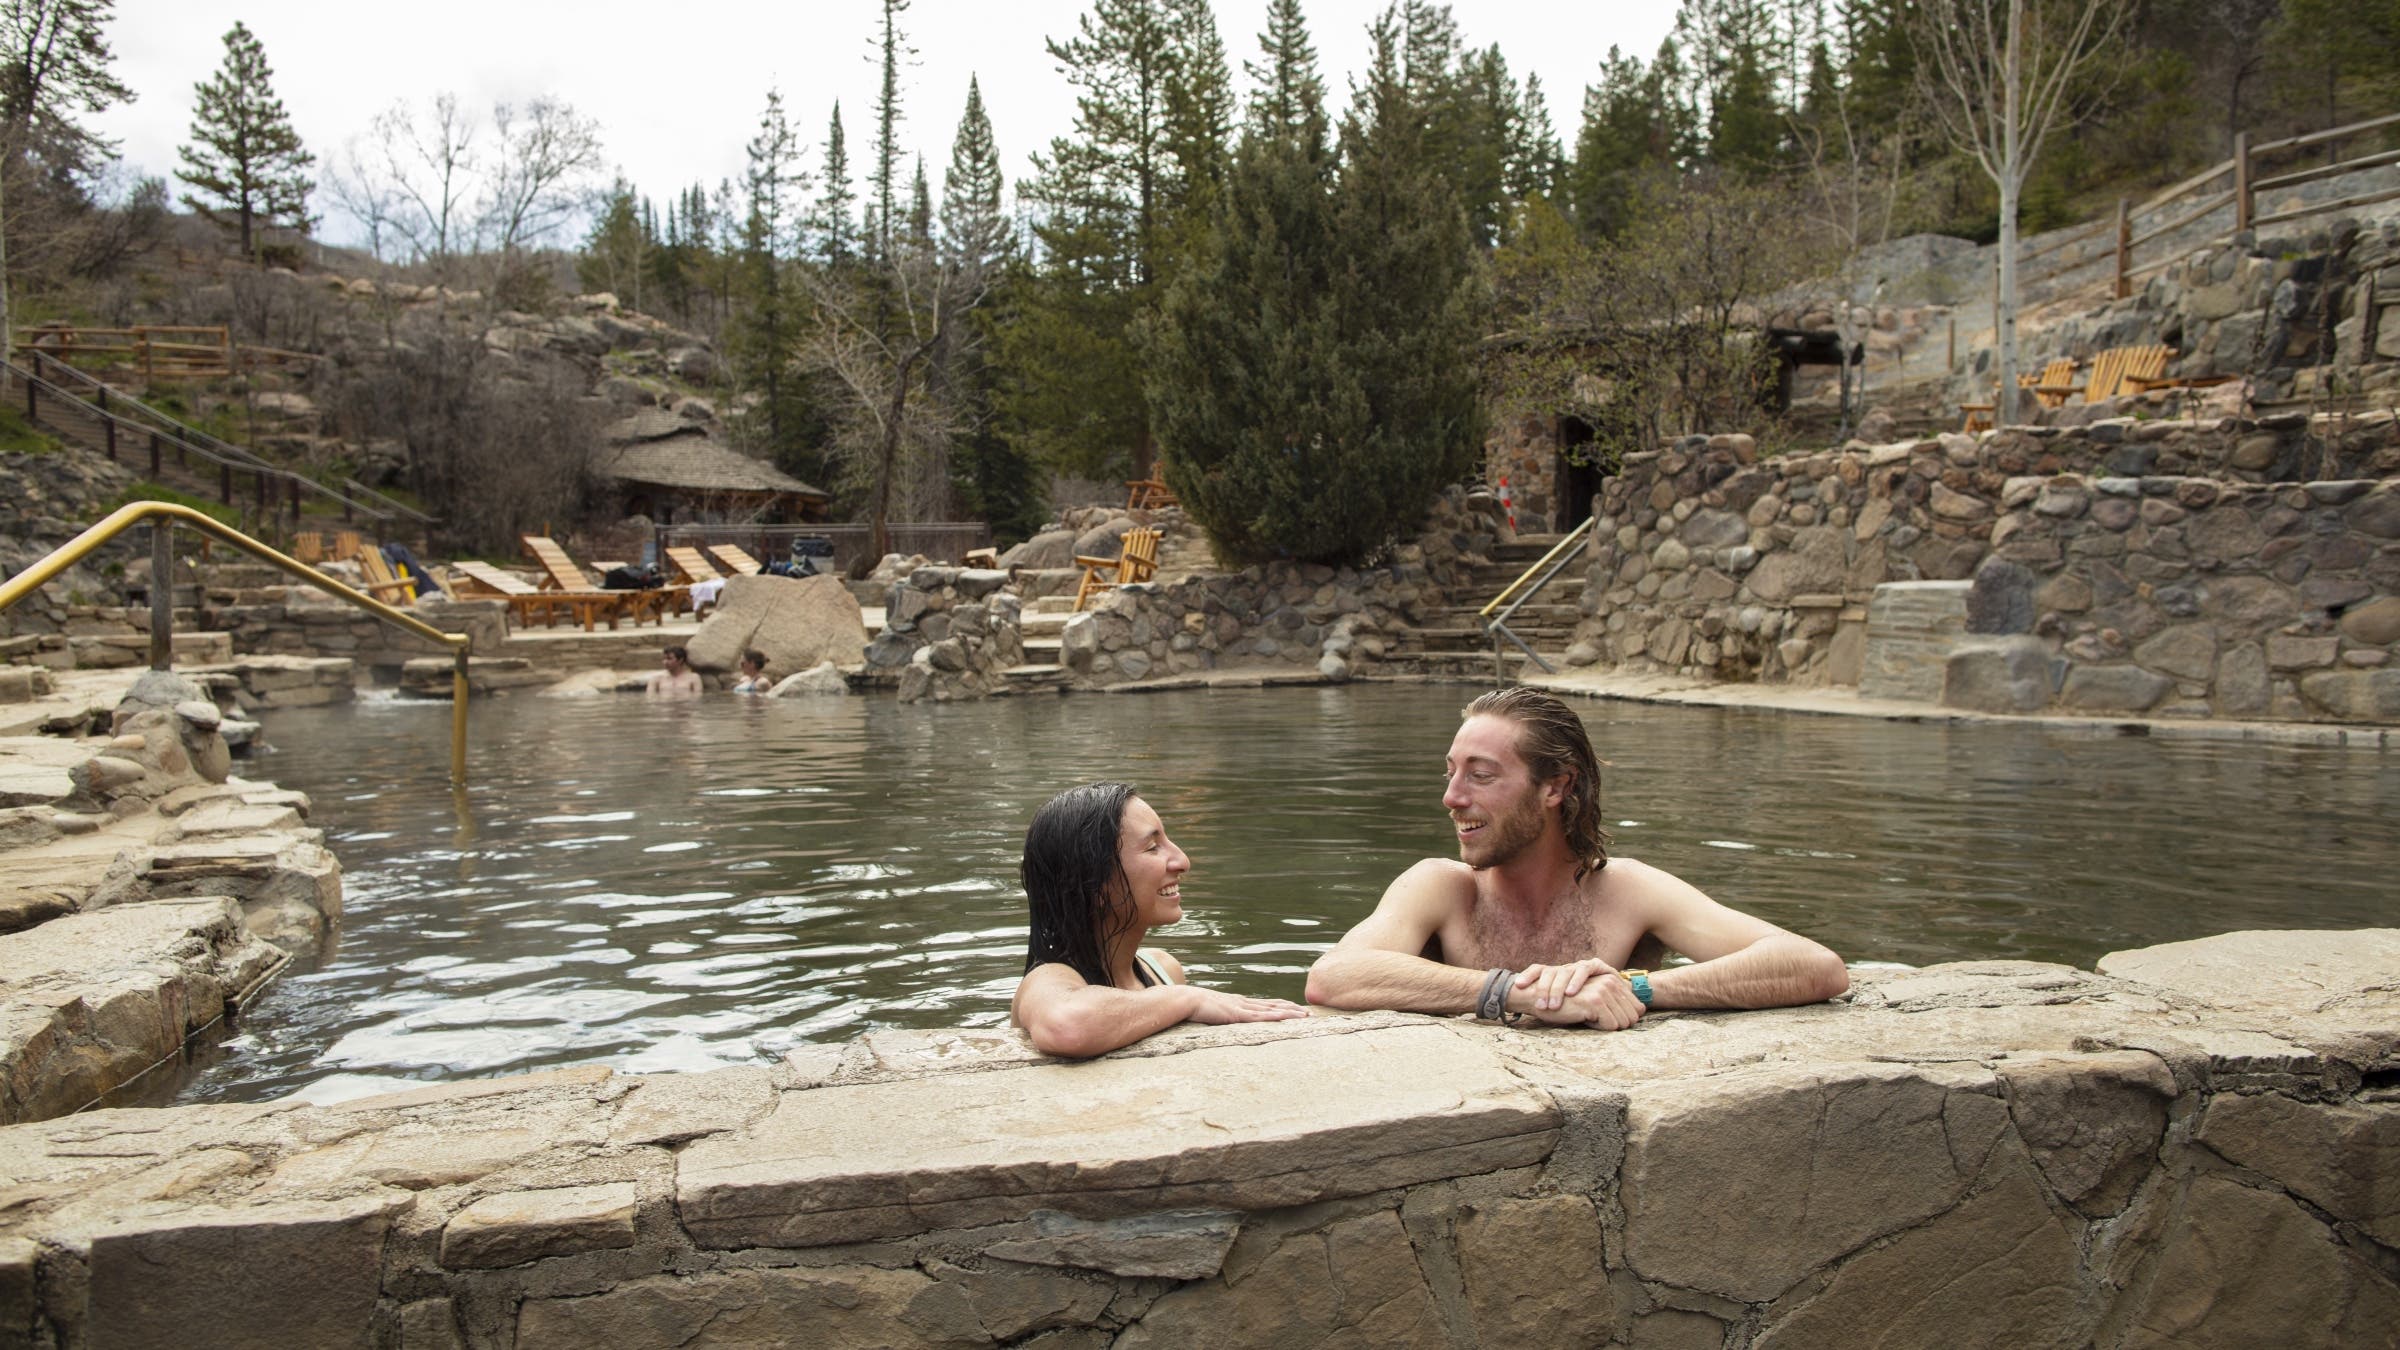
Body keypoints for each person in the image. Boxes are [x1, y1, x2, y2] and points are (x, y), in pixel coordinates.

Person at [1305, 688, 1848, 1029]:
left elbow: (1815, 966)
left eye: (1482, 774)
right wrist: (1518, 993)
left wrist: (1633, 988)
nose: (1452, 797)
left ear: (1555, 788)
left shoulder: (1624, 890)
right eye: (1450, 771)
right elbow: (1334, 977)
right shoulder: (1442, 887)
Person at [1012, 782, 1309, 1057]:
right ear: (1093, 882)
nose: (1182, 861)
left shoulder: (1164, 970)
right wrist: (1187, 999)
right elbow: (1067, 1027)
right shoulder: (1048, 980)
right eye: (1153, 847)